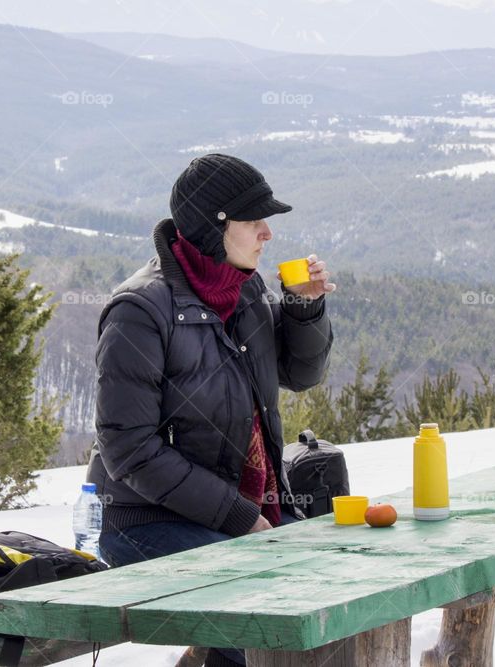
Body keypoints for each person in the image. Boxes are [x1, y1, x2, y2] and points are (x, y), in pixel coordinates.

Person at [84, 153, 335, 666]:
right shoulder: (140, 311)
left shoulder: (246, 291)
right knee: (260, 616)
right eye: (254, 220)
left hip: (242, 514)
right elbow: (129, 450)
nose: (267, 233)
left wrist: (304, 308)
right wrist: (239, 517)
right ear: (214, 226)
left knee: (333, 596)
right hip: (145, 521)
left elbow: (301, 375)